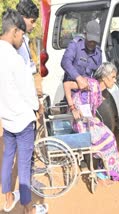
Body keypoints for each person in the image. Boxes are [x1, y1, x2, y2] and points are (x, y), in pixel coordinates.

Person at [0, 9, 48, 214]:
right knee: (25, 165)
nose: (22, 39)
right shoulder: (14, 59)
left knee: (8, 157)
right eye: (21, 35)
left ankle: (7, 198)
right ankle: (28, 208)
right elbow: (29, 92)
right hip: (23, 120)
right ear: (15, 32)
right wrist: (37, 106)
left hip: (7, 118)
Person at [63, 62, 119, 183]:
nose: (115, 80)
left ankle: (105, 169)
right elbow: (67, 85)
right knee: (109, 138)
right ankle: (105, 170)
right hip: (79, 121)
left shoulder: (100, 92)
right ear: (104, 77)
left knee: (109, 135)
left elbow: (91, 109)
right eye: (112, 77)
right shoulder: (90, 83)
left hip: (86, 120)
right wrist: (73, 108)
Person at [61, 19, 102, 90]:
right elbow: (65, 62)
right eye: (90, 40)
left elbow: (98, 75)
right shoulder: (75, 45)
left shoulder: (98, 53)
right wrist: (78, 78)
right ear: (85, 34)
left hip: (88, 93)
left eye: (94, 41)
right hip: (72, 91)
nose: (92, 43)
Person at [16, 0, 39, 75]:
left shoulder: (25, 38)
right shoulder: (12, 41)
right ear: (22, 19)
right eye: (32, 21)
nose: (34, 25)